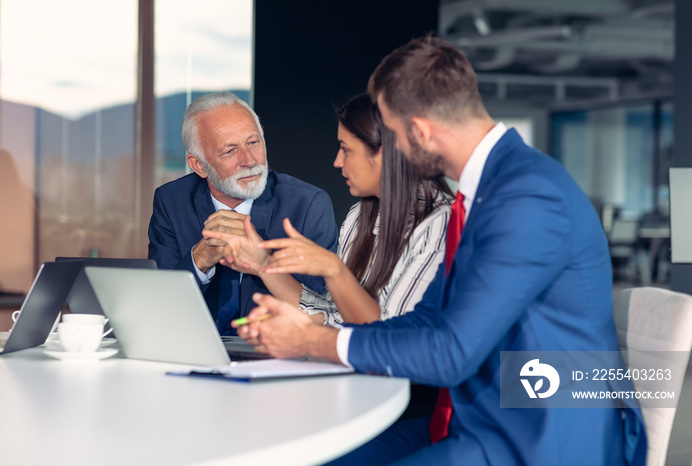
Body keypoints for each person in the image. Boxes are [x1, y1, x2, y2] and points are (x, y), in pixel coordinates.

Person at [233, 37, 647, 465]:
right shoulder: (488, 192)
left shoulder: (528, 198)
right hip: (489, 420)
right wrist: (315, 334)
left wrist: (316, 341)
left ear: (422, 131)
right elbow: (426, 320)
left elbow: (451, 353)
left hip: (541, 440)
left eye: (392, 133)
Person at [204, 93, 453, 325]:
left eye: (346, 149)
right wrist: (262, 264)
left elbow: (393, 337)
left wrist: (333, 270)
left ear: (385, 153)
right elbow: (337, 317)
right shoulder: (359, 216)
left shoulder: (441, 224)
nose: (337, 161)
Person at [147, 91, 338, 335]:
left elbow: (325, 310)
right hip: (193, 350)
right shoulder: (171, 201)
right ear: (198, 165)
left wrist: (264, 260)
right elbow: (158, 303)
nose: (249, 160)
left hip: (277, 355)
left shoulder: (308, 204)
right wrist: (199, 260)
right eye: (230, 151)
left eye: (253, 142)